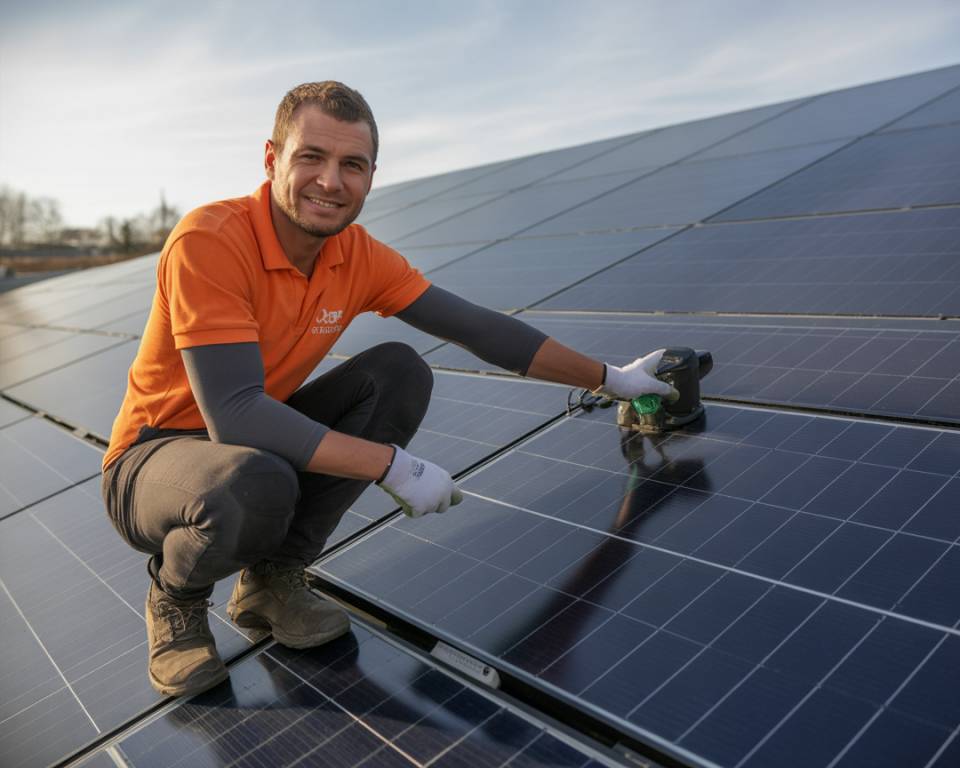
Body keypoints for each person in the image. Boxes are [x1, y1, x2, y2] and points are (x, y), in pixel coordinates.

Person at [102, 81, 677, 698]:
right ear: (271, 159)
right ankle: (175, 598)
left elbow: (478, 329)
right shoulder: (211, 240)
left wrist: (611, 378)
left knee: (398, 372)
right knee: (251, 481)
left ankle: (272, 581)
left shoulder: (355, 256)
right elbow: (236, 415)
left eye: (352, 164)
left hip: (249, 447)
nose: (331, 182)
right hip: (154, 460)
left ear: (372, 176)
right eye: (311, 157)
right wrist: (393, 465)